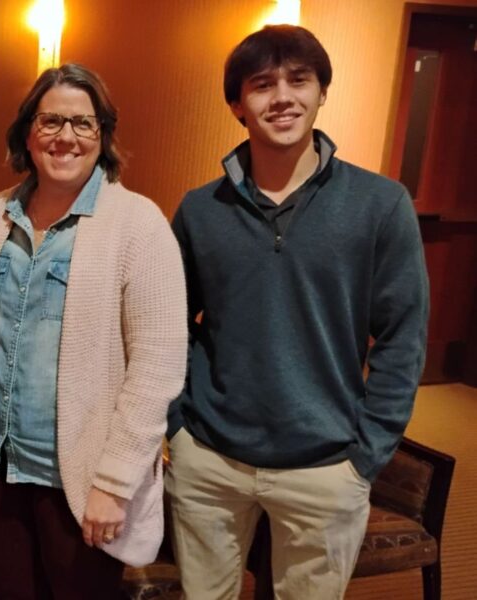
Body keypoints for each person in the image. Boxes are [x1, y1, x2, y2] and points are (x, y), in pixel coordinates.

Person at [167, 25, 430, 599]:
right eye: (262, 84)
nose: (281, 96)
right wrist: (178, 426)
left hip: (327, 464)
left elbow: (402, 336)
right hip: (210, 458)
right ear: (238, 105)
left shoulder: (381, 205)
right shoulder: (198, 210)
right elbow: (169, 327)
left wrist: (367, 454)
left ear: (321, 92)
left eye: (298, 79)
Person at [0, 63, 188, 599]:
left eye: (83, 123)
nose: (66, 137)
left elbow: (157, 367)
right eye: (51, 121)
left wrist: (115, 481)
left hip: (79, 479)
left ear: (103, 135)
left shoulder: (138, 223)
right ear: (27, 132)